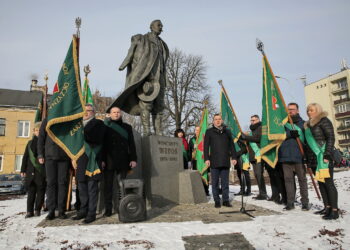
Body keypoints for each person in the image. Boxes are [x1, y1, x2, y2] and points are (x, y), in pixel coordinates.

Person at [114, 19, 169, 136]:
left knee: (159, 107)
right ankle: (147, 131)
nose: (161, 27)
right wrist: (125, 64)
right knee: (146, 104)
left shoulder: (163, 44)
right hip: (147, 77)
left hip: (160, 79)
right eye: (159, 25)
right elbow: (134, 56)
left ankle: (159, 132)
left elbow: (164, 63)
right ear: (151, 26)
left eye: (161, 25)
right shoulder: (143, 39)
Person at [305, 103, 339, 220]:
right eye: (308, 110)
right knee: (321, 183)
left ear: (318, 111)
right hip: (314, 159)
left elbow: (331, 137)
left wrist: (327, 154)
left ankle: (335, 211)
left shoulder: (324, 121)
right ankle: (327, 207)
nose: (309, 112)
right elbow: (307, 144)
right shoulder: (308, 126)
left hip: (323, 157)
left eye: (312, 110)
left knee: (329, 184)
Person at [73, 104, 106, 223]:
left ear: (93, 112)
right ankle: (83, 211)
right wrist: (73, 158)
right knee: (81, 188)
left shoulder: (99, 124)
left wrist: (82, 132)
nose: (86, 113)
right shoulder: (77, 126)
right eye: (84, 111)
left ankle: (91, 214)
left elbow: (97, 139)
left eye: (88, 111)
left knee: (92, 189)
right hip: (80, 160)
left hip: (93, 159)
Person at [103, 107, 137, 217]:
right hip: (109, 160)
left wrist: (133, 159)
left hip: (123, 160)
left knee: (121, 186)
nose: (116, 114)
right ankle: (108, 209)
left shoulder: (127, 127)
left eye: (118, 112)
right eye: (114, 112)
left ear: (121, 114)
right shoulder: (105, 126)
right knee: (108, 186)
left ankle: (120, 207)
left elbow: (131, 144)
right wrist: (102, 160)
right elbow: (102, 145)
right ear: (110, 114)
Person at [38, 118, 70, 220]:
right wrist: (40, 154)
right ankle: (51, 210)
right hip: (49, 156)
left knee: (62, 183)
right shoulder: (47, 120)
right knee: (51, 183)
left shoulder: (66, 119)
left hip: (64, 156)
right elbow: (41, 138)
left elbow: (71, 138)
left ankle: (61, 210)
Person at [278, 103, 309, 210]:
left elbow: (308, 141)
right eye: (288, 109)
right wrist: (289, 134)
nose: (290, 111)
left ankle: (305, 202)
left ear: (298, 110)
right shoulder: (282, 124)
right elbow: (277, 137)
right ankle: (290, 202)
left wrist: (307, 156)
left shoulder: (304, 124)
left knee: (302, 181)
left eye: (293, 109)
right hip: (285, 156)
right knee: (288, 181)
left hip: (299, 157)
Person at [204, 114, 237, 208]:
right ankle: (217, 200)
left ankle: (226, 200)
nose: (218, 121)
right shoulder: (209, 131)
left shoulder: (227, 131)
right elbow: (206, 146)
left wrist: (234, 157)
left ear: (222, 120)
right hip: (214, 161)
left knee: (225, 183)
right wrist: (206, 158)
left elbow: (232, 146)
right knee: (214, 183)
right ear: (213, 121)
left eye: (219, 119)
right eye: (216, 119)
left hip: (225, 160)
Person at [20, 122, 46, 218]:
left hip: (41, 171)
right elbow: (25, 157)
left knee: (40, 192)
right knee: (31, 193)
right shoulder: (29, 143)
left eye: (40, 130)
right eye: (36, 130)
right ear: (34, 131)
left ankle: (37, 210)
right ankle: (29, 211)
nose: (38, 132)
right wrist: (23, 170)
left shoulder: (45, 142)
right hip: (30, 171)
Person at [240, 115, 268, 200]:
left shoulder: (261, 127)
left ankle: (263, 193)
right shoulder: (251, 130)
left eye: (254, 120)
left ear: (258, 120)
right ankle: (261, 192)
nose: (252, 122)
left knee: (259, 174)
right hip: (253, 156)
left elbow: (258, 138)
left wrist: (246, 137)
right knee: (256, 174)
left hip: (259, 154)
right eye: (251, 120)